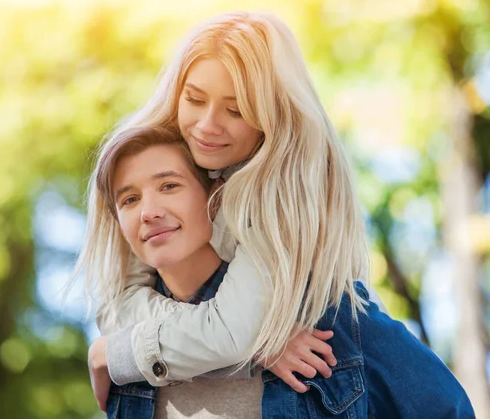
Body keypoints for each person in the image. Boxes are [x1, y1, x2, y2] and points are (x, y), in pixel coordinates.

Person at [73, 11, 475, 417]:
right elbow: (119, 307)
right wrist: (248, 348)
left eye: (236, 109)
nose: (207, 125)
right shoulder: (137, 366)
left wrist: (118, 353)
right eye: (194, 99)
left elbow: (446, 405)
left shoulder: (327, 324)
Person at [85, 125, 474, 418]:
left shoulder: (325, 317)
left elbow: (446, 407)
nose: (148, 210)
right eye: (130, 199)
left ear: (215, 200)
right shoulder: (127, 354)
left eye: (169, 186)